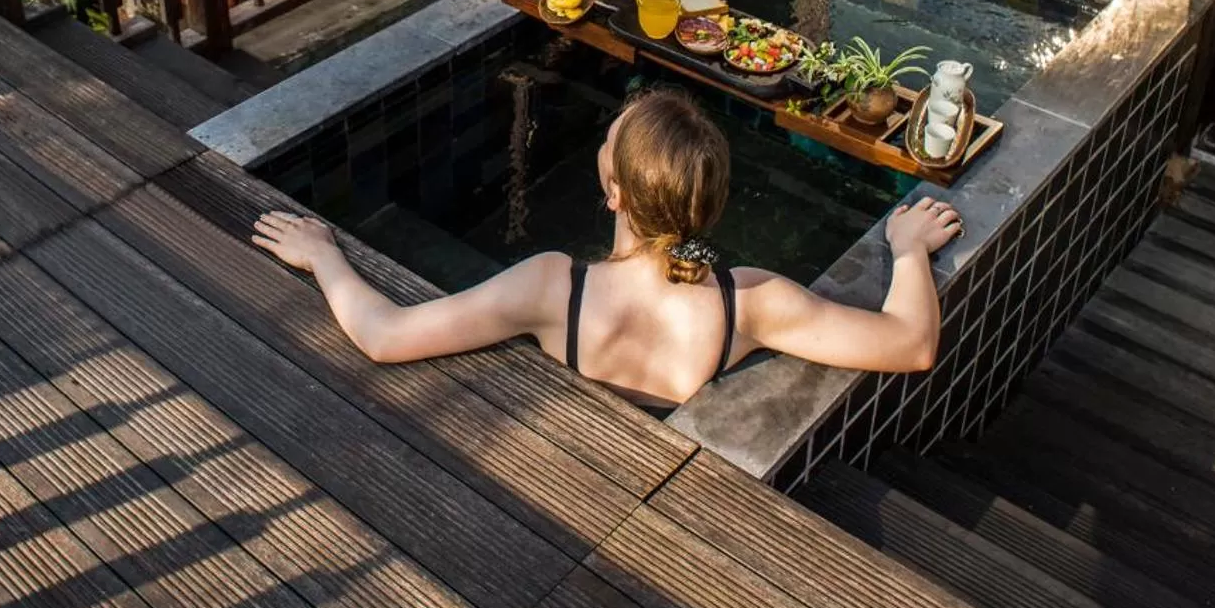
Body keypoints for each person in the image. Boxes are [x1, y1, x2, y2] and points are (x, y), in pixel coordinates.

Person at [252, 87, 963, 411]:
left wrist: (324, 257)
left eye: (608, 142)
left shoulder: (552, 288)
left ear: (615, 192)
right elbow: (911, 343)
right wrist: (906, 250)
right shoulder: (748, 301)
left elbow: (384, 334)